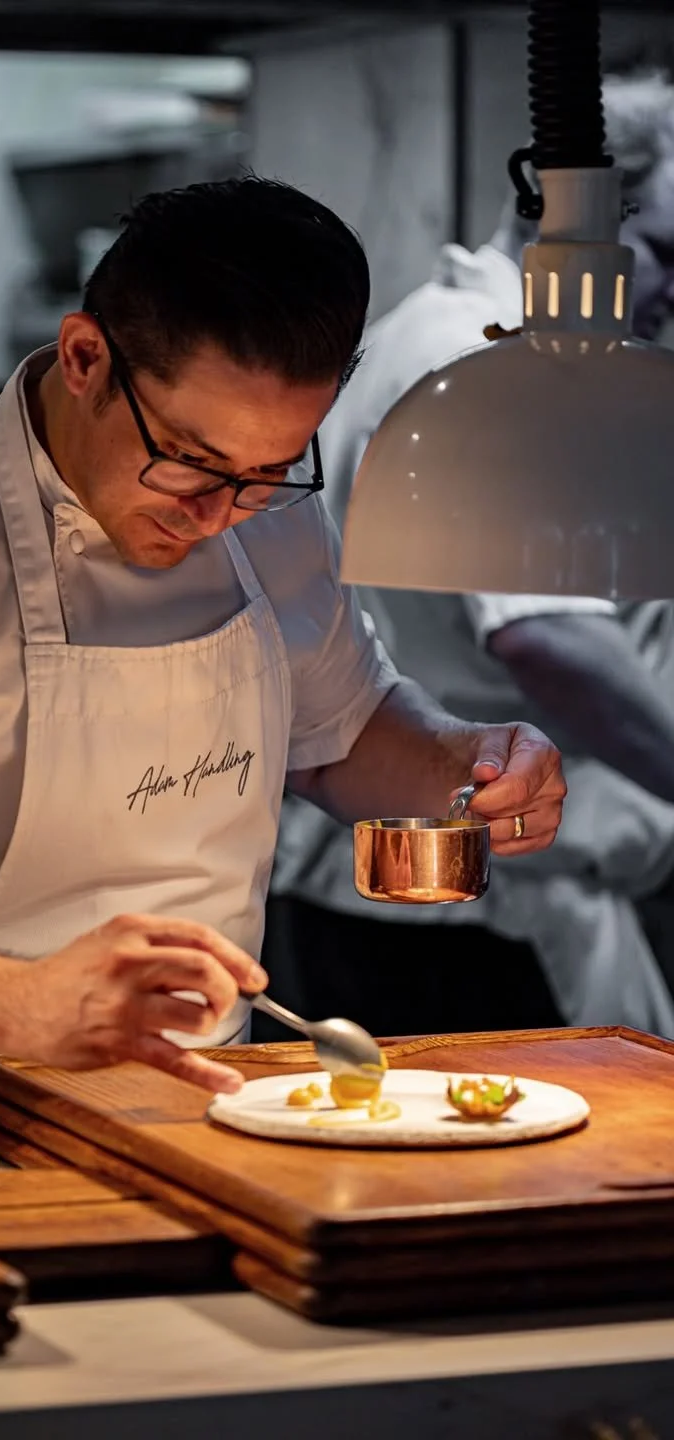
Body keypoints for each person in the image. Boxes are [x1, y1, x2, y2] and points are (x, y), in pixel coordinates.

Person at [0, 178, 565, 1096]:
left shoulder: (268, 517)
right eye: (189, 460)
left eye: (271, 470)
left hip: (217, 1109)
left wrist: (475, 762)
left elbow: (344, 734)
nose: (222, 514)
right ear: (86, 355)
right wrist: (24, 1007)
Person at [269, 71, 674, 1041]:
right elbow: (549, 639)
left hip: (431, 902)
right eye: (668, 253)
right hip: (468, 918)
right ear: (574, 218)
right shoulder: (489, 361)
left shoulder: (453, 338)